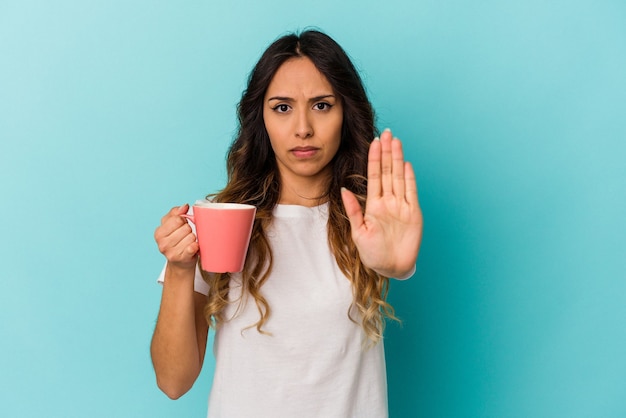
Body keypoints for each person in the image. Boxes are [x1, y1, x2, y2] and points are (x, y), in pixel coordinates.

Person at [151, 29, 423, 418]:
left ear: (346, 112)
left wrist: (392, 266)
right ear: (259, 117)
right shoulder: (216, 219)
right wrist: (180, 268)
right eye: (282, 107)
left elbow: (390, 255)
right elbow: (173, 382)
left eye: (322, 105)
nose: (302, 129)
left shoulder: (371, 219)